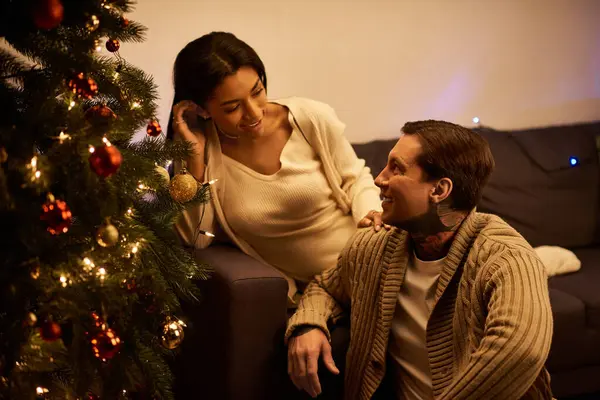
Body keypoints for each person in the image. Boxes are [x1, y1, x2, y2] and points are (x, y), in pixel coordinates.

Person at [286, 120, 554, 399]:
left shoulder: (507, 258)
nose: (379, 179)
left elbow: (521, 349)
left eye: (396, 168)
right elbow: (326, 286)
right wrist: (308, 325)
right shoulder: (373, 245)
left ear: (439, 190)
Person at [167, 31, 383, 304]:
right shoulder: (201, 155)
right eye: (233, 107)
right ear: (202, 110)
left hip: (371, 257)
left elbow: (356, 179)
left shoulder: (309, 118)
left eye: (257, 91)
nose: (255, 112)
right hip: (324, 290)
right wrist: (194, 160)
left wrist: (371, 214)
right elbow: (194, 239)